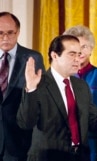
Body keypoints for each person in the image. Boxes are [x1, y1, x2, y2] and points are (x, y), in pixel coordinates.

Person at [16, 35, 97, 161]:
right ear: (55, 56)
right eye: (72, 54)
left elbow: (93, 120)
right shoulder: (38, 84)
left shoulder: (81, 86)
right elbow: (26, 123)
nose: (77, 59)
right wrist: (31, 89)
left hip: (80, 156)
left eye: (79, 54)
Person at [63, 25, 97, 161]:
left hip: (93, 145)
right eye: (76, 46)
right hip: (62, 144)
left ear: (91, 49)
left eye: (85, 46)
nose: (80, 51)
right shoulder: (60, 76)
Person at [0, 12, 45, 161]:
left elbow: (40, 100)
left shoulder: (33, 58)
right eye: (0, 33)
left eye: (10, 32)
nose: (5, 37)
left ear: (18, 32)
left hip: (19, 142)